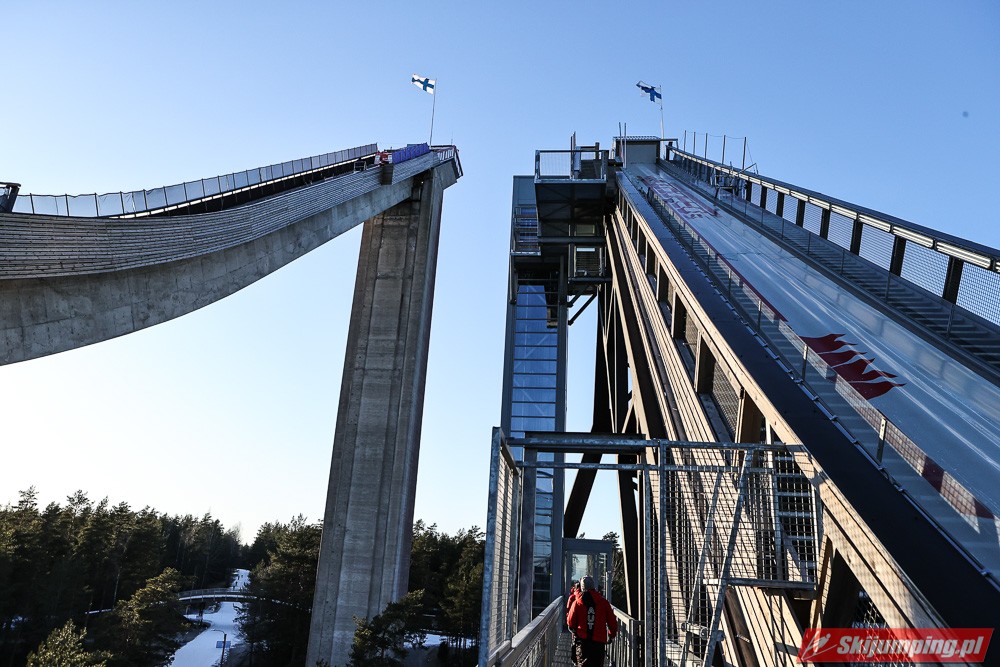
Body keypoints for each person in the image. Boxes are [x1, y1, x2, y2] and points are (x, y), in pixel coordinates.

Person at [566, 575, 617, 667]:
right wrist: (611, 635)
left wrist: (574, 631)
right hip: (598, 643)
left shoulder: (577, 603)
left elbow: (570, 622)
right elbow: (612, 622)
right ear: (594, 587)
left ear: (582, 588)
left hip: (582, 642)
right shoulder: (604, 603)